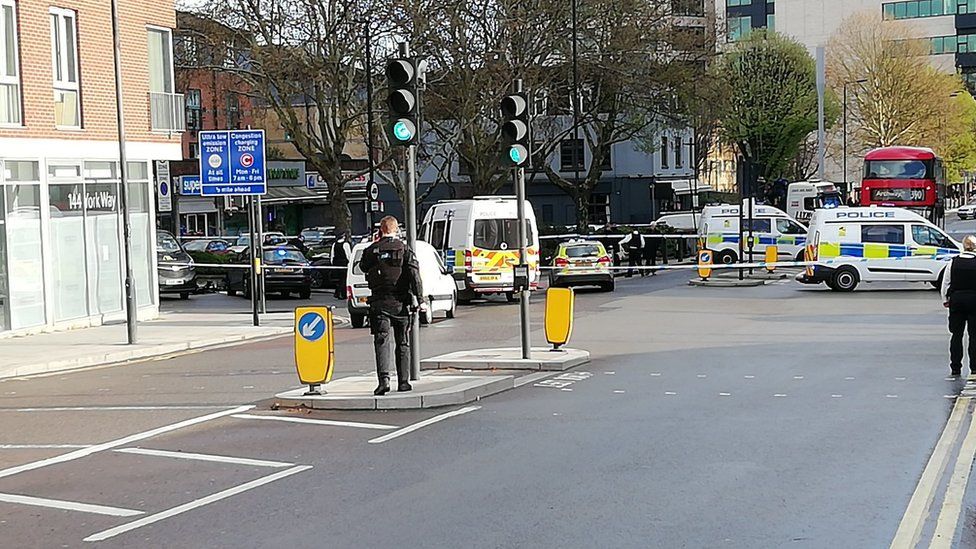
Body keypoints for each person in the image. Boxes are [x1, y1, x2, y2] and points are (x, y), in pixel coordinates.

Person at [359, 216, 424, 395]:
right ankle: (403, 382)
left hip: (379, 303)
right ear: (396, 229)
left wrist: (375, 244)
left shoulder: (372, 250)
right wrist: (420, 299)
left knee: (381, 341)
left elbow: (363, 267)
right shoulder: (404, 250)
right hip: (401, 303)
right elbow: (414, 275)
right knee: (403, 342)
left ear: (381, 229)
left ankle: (384, 382)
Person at [942, 235, 976, 376]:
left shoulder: (953, 262)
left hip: (957, 300)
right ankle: (974, 367)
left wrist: (945, 299)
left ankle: (955, 366)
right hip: (974, 300)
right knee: (974, 336)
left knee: (956, 335)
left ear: (963, 246)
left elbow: (946, 283)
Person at [331, 232, 352, 299]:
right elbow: (348, 255)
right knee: (344, 279)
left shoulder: (334, 244)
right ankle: (342, 294)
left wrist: (333, 263)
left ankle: (337, 293)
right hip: (344, 264)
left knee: (339, 279)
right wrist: (350, 263)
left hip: (336, 263)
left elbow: (332, 255)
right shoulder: (346, 244)